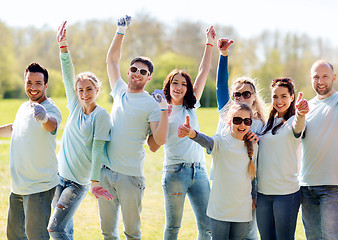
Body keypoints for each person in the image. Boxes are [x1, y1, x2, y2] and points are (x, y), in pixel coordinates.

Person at [98, 15, 168, 239]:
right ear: (129, 72)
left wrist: (165, 109)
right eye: (134, 69)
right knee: (107, 232)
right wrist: (121, 30)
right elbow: (111, 61)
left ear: (148, 78)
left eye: (143, 72)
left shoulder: (152, 104)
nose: (137, 73)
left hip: (130, 178)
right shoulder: (118, 90)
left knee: (132, 233)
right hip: (106, 174)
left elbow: (159, 140)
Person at [147, 26, 216, 239]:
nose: (179, 86)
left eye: (183, 84)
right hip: (175, 172)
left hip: (200, 171)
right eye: (175, 82)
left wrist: (209, 43)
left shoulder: (191, 106)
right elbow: (152, 145)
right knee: (173, 227)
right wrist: (164, 117)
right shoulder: (158, 109)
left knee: (208, 227)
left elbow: (204, 71)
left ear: (187, 88)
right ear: (168, 86)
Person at [47, 21, 114, 240]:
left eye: (89, 89)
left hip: (77, 183)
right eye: (81, 90)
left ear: (97, 90)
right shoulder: (75, 107)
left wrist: (94, 182)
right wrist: (63, 47)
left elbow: (97, 151)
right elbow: (68, 76)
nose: (84, 93)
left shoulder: (101, 116)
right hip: (59, 177)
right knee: (65, 229)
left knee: (54, 229)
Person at [0, 62, 62, 239]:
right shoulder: (23, 107)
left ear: (46, 85)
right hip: (18, 186)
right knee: (14, 235)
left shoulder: (51, 108)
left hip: (39, 186)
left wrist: (44, 117)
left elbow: (51, 125)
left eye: (38, 83)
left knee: (36, 235)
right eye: (29, 82)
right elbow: (13, 129)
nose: (33, 87)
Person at [178, 102, 258, 240]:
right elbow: (206, 141)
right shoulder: (221, 141)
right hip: (220, 209)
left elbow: (252, 177)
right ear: (229, 121)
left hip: (242, 210)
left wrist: (254, 196)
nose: (242, 125)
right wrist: (192, 133)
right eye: (237, 120)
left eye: (247, 121)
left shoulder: (253, 145)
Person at [214, 38, 266, 240]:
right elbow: (220, 85)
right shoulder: (226, 114)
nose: (242, 97)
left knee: (249, 233)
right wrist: (224, 56)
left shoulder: (261, 125)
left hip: (248, 188)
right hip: (223, 184)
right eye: (238, 94)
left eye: (247, 93)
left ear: (254, 97)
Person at [300, 50, 338, 240]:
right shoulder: (307, 106)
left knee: (331, 238)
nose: (320, 81)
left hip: (332, 187)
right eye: (316, 77)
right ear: (311, 79)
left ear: (334, 77)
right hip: (306, 186)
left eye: (325, 76)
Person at [256, 78, 309, 239]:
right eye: (275, 96)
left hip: (286, 194)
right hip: (263, 194)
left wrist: (300, 114)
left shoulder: (294, 121)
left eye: (284, 96)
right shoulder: (266, 124)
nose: (279, 101)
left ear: (292, 97)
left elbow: (298, 127)